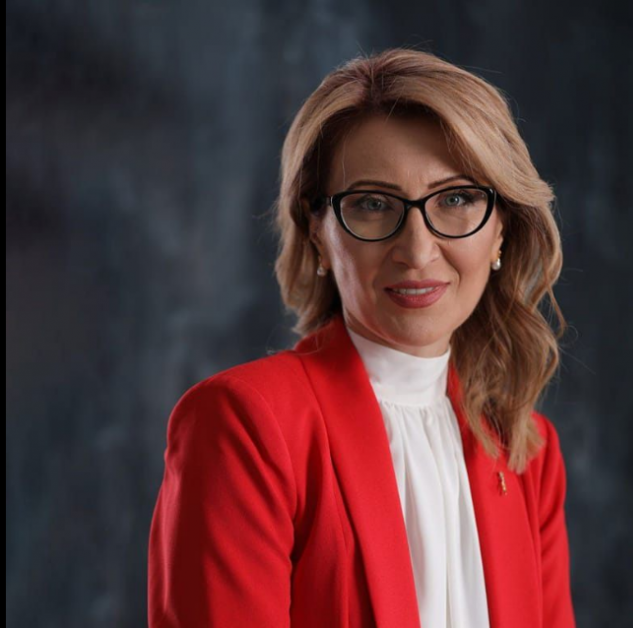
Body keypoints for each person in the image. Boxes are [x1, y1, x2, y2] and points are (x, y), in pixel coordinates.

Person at [148, 47, 576, 628]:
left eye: (456, 199)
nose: (417, 250)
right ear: (318, 233)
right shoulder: (247, 424)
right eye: (373, 204)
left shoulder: (528, 450)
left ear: (502, 228)